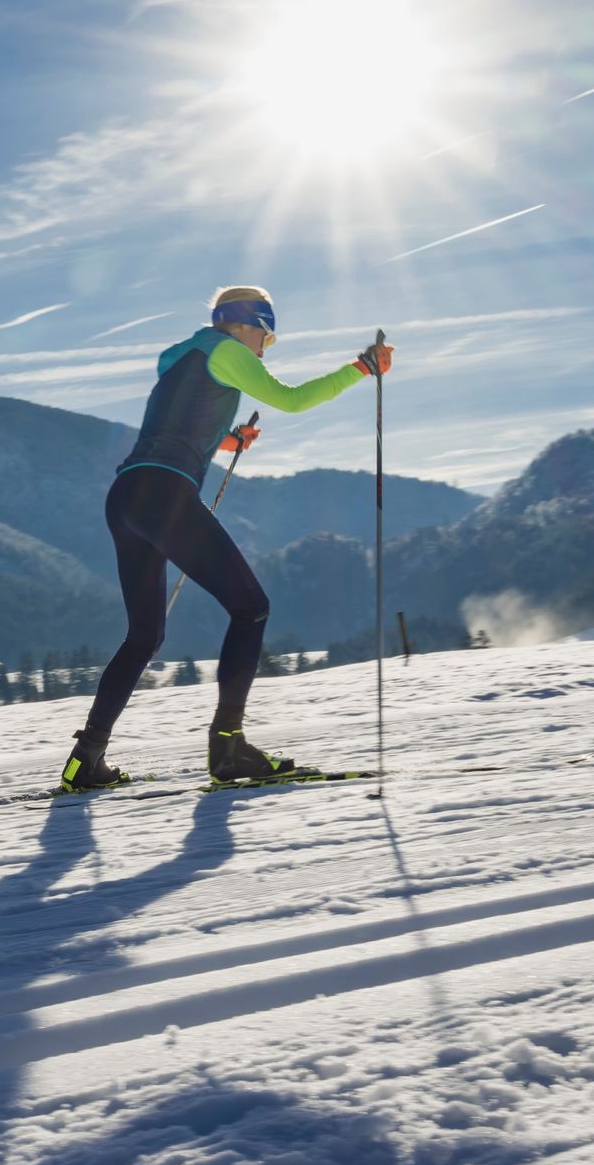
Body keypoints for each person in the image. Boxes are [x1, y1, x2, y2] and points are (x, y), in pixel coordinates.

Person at [60, 286, 391, 791]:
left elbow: (178, 424)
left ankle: (86, 760)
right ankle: (229, 747)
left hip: (127, 496)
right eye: (266, 335)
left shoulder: (181, 359)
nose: (265, 348)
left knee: (144, 636)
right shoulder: (229, 351)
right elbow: (293, 399)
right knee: (250, 607)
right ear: (246, 324)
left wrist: (227, 438)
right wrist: (361, 368)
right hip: (164, 495)